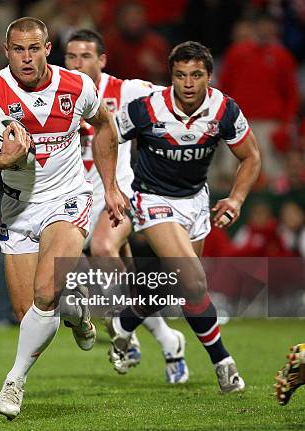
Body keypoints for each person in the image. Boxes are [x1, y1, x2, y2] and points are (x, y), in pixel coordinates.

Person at [0, 17, 126, 420]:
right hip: (18, 207)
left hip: (67, 198)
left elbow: (104, 126)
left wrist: (110, 187)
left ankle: (14, 382)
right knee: (28, 311)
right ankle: (76, 309)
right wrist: (2, 160)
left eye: (34, 49)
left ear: (48, 49)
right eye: (18, 50)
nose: (26, 58)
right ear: (6, 52)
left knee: (46, 290)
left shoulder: (77, 85)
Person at [106, 41, 261, 393]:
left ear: (209, 75)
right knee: (193, 280)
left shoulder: (224, 110)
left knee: (179, 285)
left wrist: (236, 199)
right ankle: (224, 364)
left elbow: (251, 157)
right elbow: (107, 136)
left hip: (195, 201)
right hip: (151, 199)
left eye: (196, 75)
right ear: (170, 77)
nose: (188, 83)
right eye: (180, 75)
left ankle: (123, 323)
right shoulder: (145, 109)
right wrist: (111, 185)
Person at [64, 28, 188, 384]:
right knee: (111, 280)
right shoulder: (58, 94)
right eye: (71, 56)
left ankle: (125, 332)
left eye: (85, 56)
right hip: (77, 200)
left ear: (102, 60)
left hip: (122, 194)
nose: (77, 63)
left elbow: (173, 98)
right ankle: (167, 339)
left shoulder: (126, 91)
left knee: (103, 248)